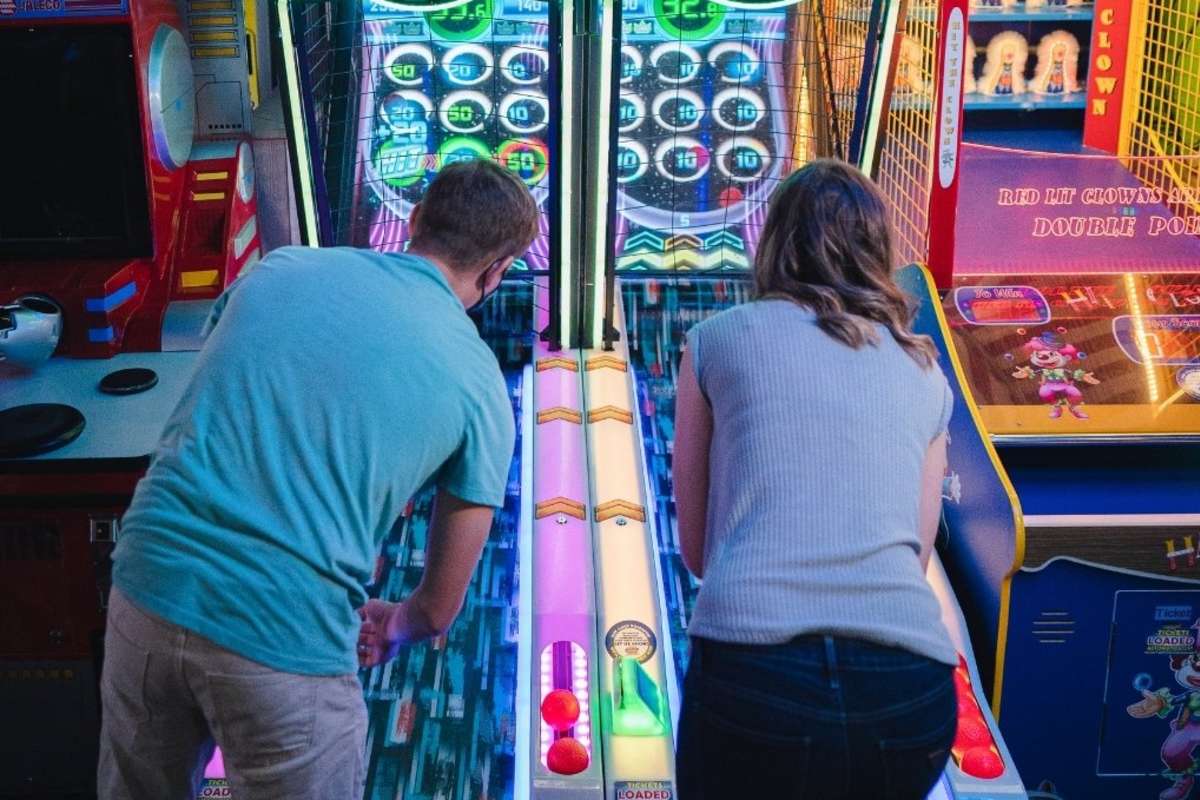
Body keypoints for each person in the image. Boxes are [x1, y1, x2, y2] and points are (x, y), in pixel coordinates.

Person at [99, 159, 538, 800]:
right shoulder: (480, 387)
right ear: (498, 271)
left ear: (414, 222)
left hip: (145, 582)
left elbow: (236, 368)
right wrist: (396, 623)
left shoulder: (283, 267)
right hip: (283, 631)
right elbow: (439, 608)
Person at [672, 159, 958, 799]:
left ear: (772, 241)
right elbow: (913, 556)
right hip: (909, 689)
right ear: (879, 249)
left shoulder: (716, 341)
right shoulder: (924, 372)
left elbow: (696, 551)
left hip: (758, 674)